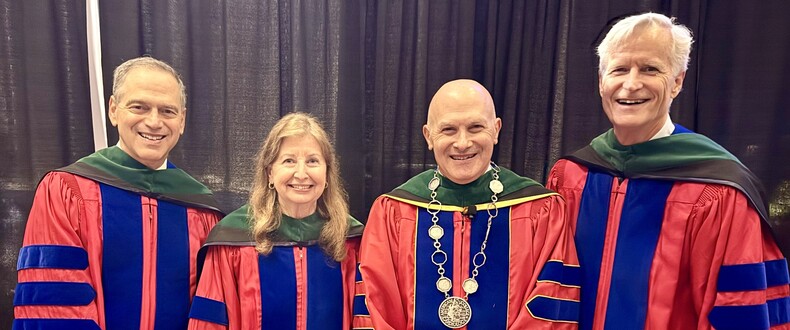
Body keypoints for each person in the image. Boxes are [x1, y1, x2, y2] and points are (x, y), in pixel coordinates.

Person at [546, 12, 790, 329]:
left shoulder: (719, 191)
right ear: (601, 81)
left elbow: (741, 309)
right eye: (619, 69)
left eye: (650, 69)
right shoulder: (570, 177)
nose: (631, 84)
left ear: (677, 81)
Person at [13, 56, 223, 329]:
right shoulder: (68, 190)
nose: (154, 122)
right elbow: (54, 301)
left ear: (182, 121)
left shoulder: (200, 207)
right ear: (114, 110)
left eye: (168, 111)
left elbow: (210, 308)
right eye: (139, 107)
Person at [356, 79, 580, 329]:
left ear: (495, 130)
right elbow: (375, 307)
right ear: (428, 136)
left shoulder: (541, 210)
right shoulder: (393, 211)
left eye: (475, 127)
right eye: (449, 130)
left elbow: (553, 302)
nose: (462, 143)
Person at [187, 112, 364, 329]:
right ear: (270, 172)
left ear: (327, 174)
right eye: (289, 160)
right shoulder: (232, 239)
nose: (301, 173)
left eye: (313, 161)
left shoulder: (352, 240)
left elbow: (365, 319)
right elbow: (209, 321)